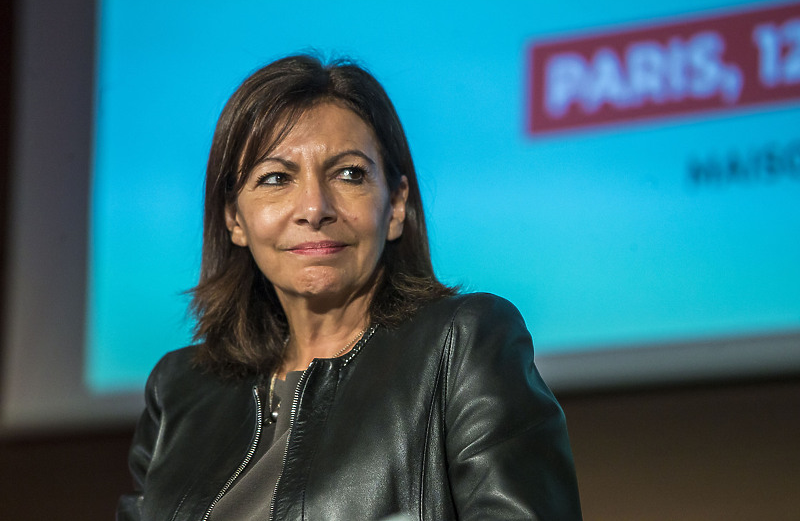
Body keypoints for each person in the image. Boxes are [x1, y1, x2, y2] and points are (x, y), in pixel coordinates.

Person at [117, 54, 582, 520]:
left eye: (349, 174)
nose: (315, 208)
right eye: (276, 178)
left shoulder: (462, 344)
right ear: (235, 220)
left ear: (396, 205)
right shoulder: (179, 391)